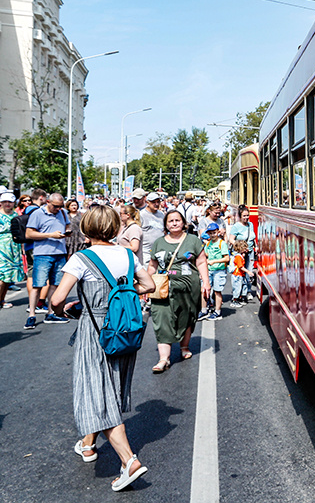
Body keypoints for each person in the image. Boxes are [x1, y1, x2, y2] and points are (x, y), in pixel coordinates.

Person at [50, 205, 155, 491]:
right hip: (124, 328)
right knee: (108, 387)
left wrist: (64, 310)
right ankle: (88, 444)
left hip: (95, 331)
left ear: (86, 228)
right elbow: (148, 285)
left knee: (96, 392)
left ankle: (129, 461)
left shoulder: (81, 258)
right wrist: (121, 292)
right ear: (115, 228)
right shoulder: (127, 255)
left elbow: (57, 300)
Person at [146, 210, 210, 371]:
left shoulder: (193, 240)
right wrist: (146, 285)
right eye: (170, 221)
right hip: (163, 288)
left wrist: (206, 282)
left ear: (183, 223)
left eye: (177, 220)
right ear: (165, 224)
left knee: (187, 317)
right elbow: (152, 265)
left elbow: (201, 261)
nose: (174, 223)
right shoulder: (159, 243)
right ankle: (164, 359)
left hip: (188, 288)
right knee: (161, 318)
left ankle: (184, 347)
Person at [25, 192, 72, 328]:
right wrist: (50, 235)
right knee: (38, 285)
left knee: (55, 285)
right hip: (42, 253)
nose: (58, 209)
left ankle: (51, 313)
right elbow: (29, 234)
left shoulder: (63, 213)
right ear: (48, 202)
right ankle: (32, 314)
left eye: (60, 206)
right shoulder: (37, 214)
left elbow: (67, 226)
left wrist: (67, 233)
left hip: (60, 252)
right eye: (55, 206)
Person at [0, 192, 25, 308]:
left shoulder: (16, 215)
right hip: (1, 248)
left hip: (14, 248)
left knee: (8, 277)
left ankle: (2, 300)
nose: (7, 204)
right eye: (4, 201)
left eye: (9, 202)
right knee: (2, 275)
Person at [200, 222, 229, 319]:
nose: (212, 235)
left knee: (217, 291)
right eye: (210, 233)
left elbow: (226, 258)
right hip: (209, 270)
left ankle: (217, 311)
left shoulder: (222, 243)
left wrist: (214, 261)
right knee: (204, 290)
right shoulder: (208, 244)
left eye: (214, 232)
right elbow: (206, 255)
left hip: (219, 270)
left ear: (218, 232)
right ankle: (204, 310)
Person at [139, 193, 165, 264]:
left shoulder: (161, 214)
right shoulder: (141, 215)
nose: (156, 204)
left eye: (158, 202)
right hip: (146, 251)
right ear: (147, 202)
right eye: (153, 202)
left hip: (160, 250)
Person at [230, 239, 251, 306]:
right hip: (237, 275)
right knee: (237, 288)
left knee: (243, 286)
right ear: (241, 248)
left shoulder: (240, 255)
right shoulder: (238, 257)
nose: (246, 249)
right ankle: (234, 301)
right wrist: (248, 271)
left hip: (240, 275)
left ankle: (239, 298)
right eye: (244, 248)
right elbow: (240, 267)